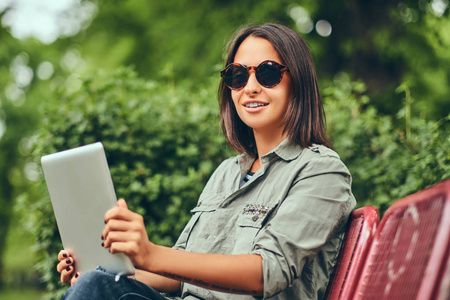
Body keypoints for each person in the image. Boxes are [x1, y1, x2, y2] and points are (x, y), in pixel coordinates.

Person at [57, 23, 356, 300]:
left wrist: (151, 254)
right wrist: (111, 269)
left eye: (267, 73)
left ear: (298, 82)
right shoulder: (227, 173)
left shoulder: (321, 171)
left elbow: (268, 272)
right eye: (238, 76)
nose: (250, 87)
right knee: (95, 282)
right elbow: (180, 278)